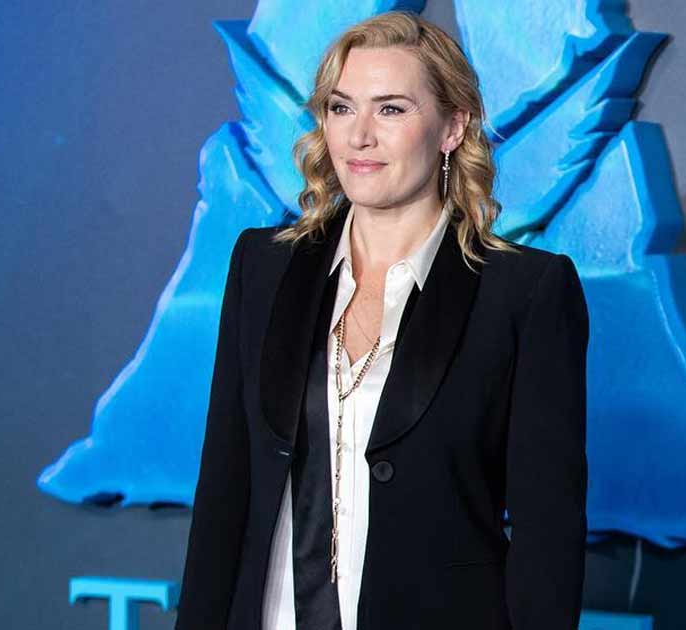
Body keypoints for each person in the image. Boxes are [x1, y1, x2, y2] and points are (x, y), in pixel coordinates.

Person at [175, 11, 588, 630]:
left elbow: (547, 535)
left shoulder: (524, 292)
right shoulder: (263, 267)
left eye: (391, 109)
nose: (359, 136)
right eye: (341, 108)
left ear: (453, 126)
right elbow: (223, 494)